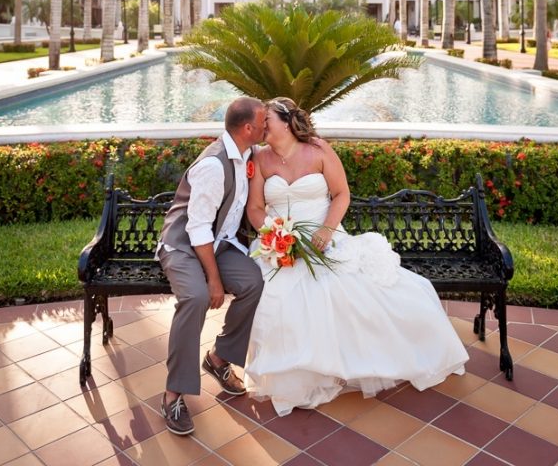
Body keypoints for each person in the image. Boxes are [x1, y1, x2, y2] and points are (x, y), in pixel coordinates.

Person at [244, 98, 469, 416]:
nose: (261, 124)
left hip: (326, 239)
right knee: (277, 296)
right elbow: (254, 208)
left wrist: (325, 230)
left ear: (286, 120)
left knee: (355, 290)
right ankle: (297, 374)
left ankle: (371, 358)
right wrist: (273, 235)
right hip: (279, 245)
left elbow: (341, 194)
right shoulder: (260, 158)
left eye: (266, 118)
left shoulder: (319, 149)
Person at [157, 96, 267, 435]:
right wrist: (214, 280)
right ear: (248, 128)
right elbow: (197, 227)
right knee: (196, 298)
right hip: (184, 246)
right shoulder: (213, 165)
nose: (266, 127)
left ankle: (218, 358)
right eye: (263, 122)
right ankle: (173, 394)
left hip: (218, 244)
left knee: (254, 283)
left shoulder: (248, 154)